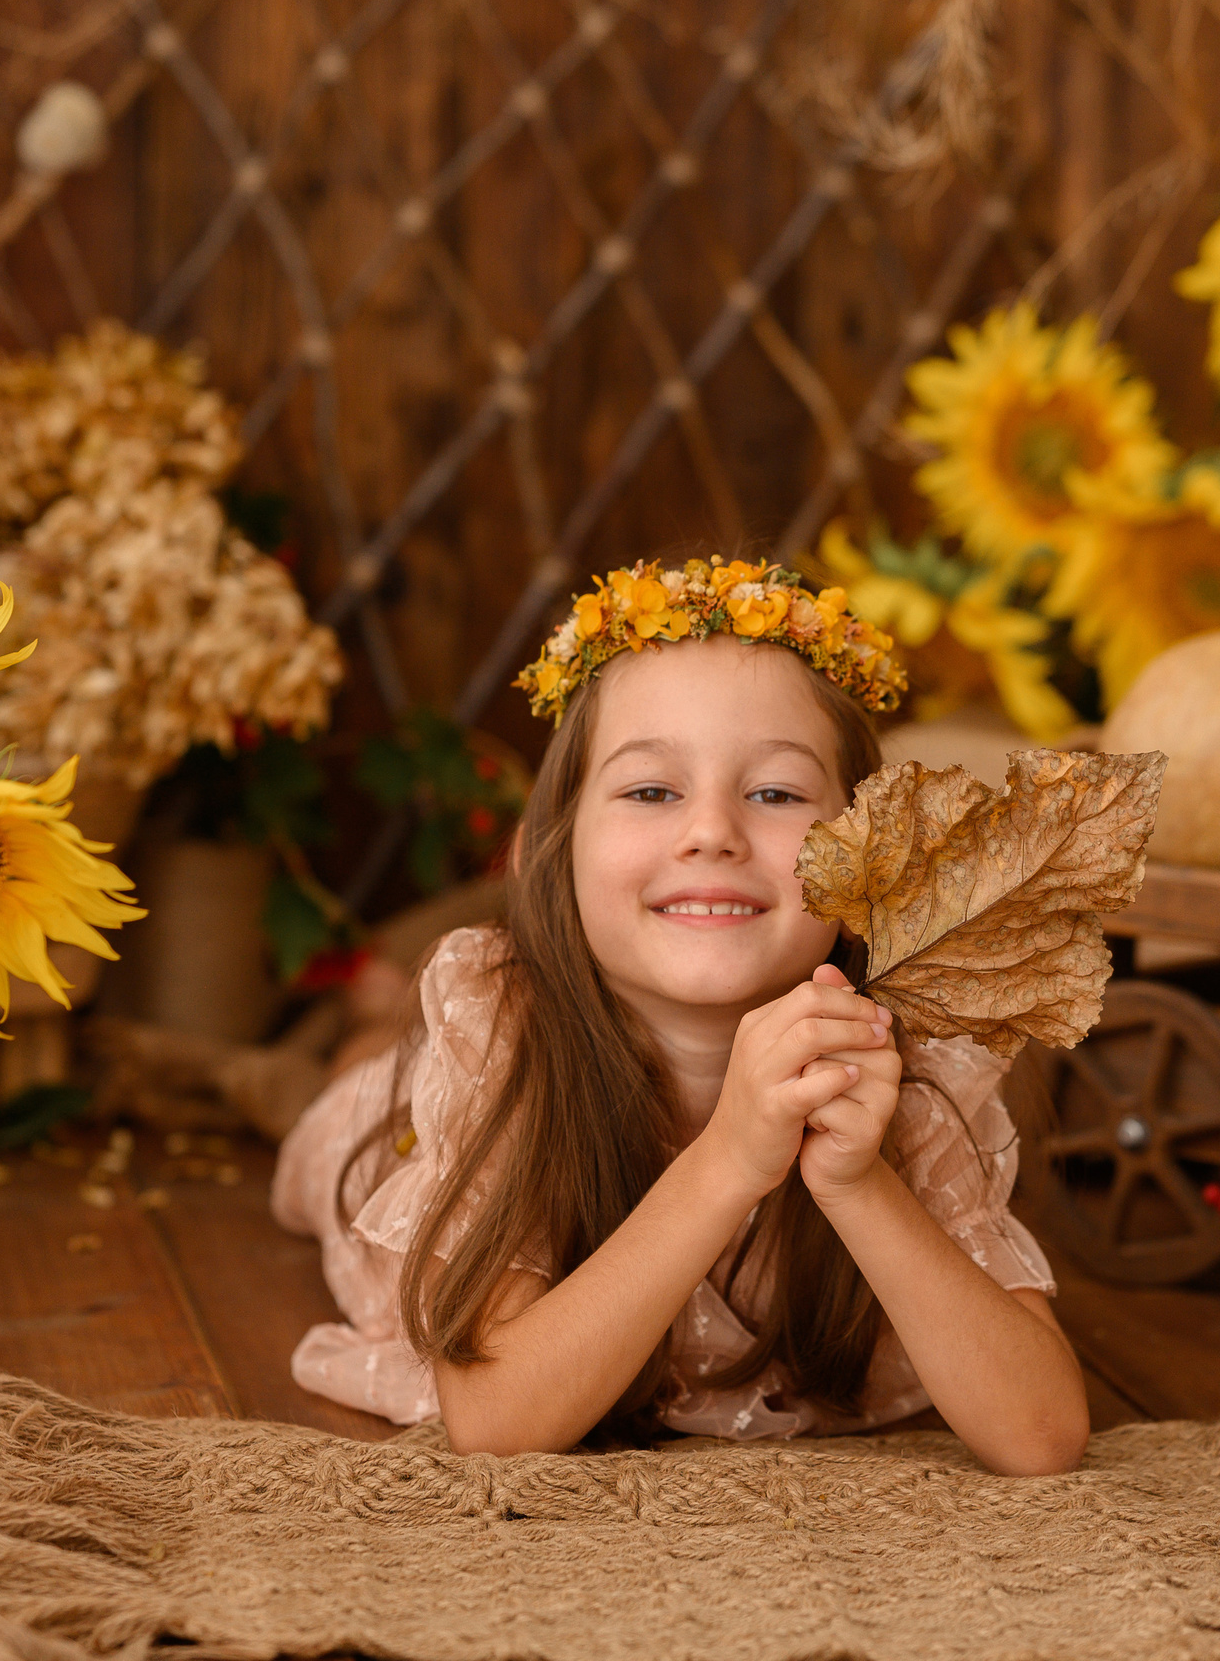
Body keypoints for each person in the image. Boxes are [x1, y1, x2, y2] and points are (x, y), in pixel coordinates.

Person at [270, 557, 1091, 1475]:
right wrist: (731, 1159)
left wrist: (860, 1184)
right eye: (652, 791)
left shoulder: (908, 1061)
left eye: (776, 794)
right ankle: (369, 1037)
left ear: (866, 861)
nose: (712, 832)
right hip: (387, 1134)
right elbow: (495, 1420)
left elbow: (1043, 1435)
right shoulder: (503, 1035)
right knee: (334, 1120)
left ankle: (375, 1021)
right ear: (557, 844)